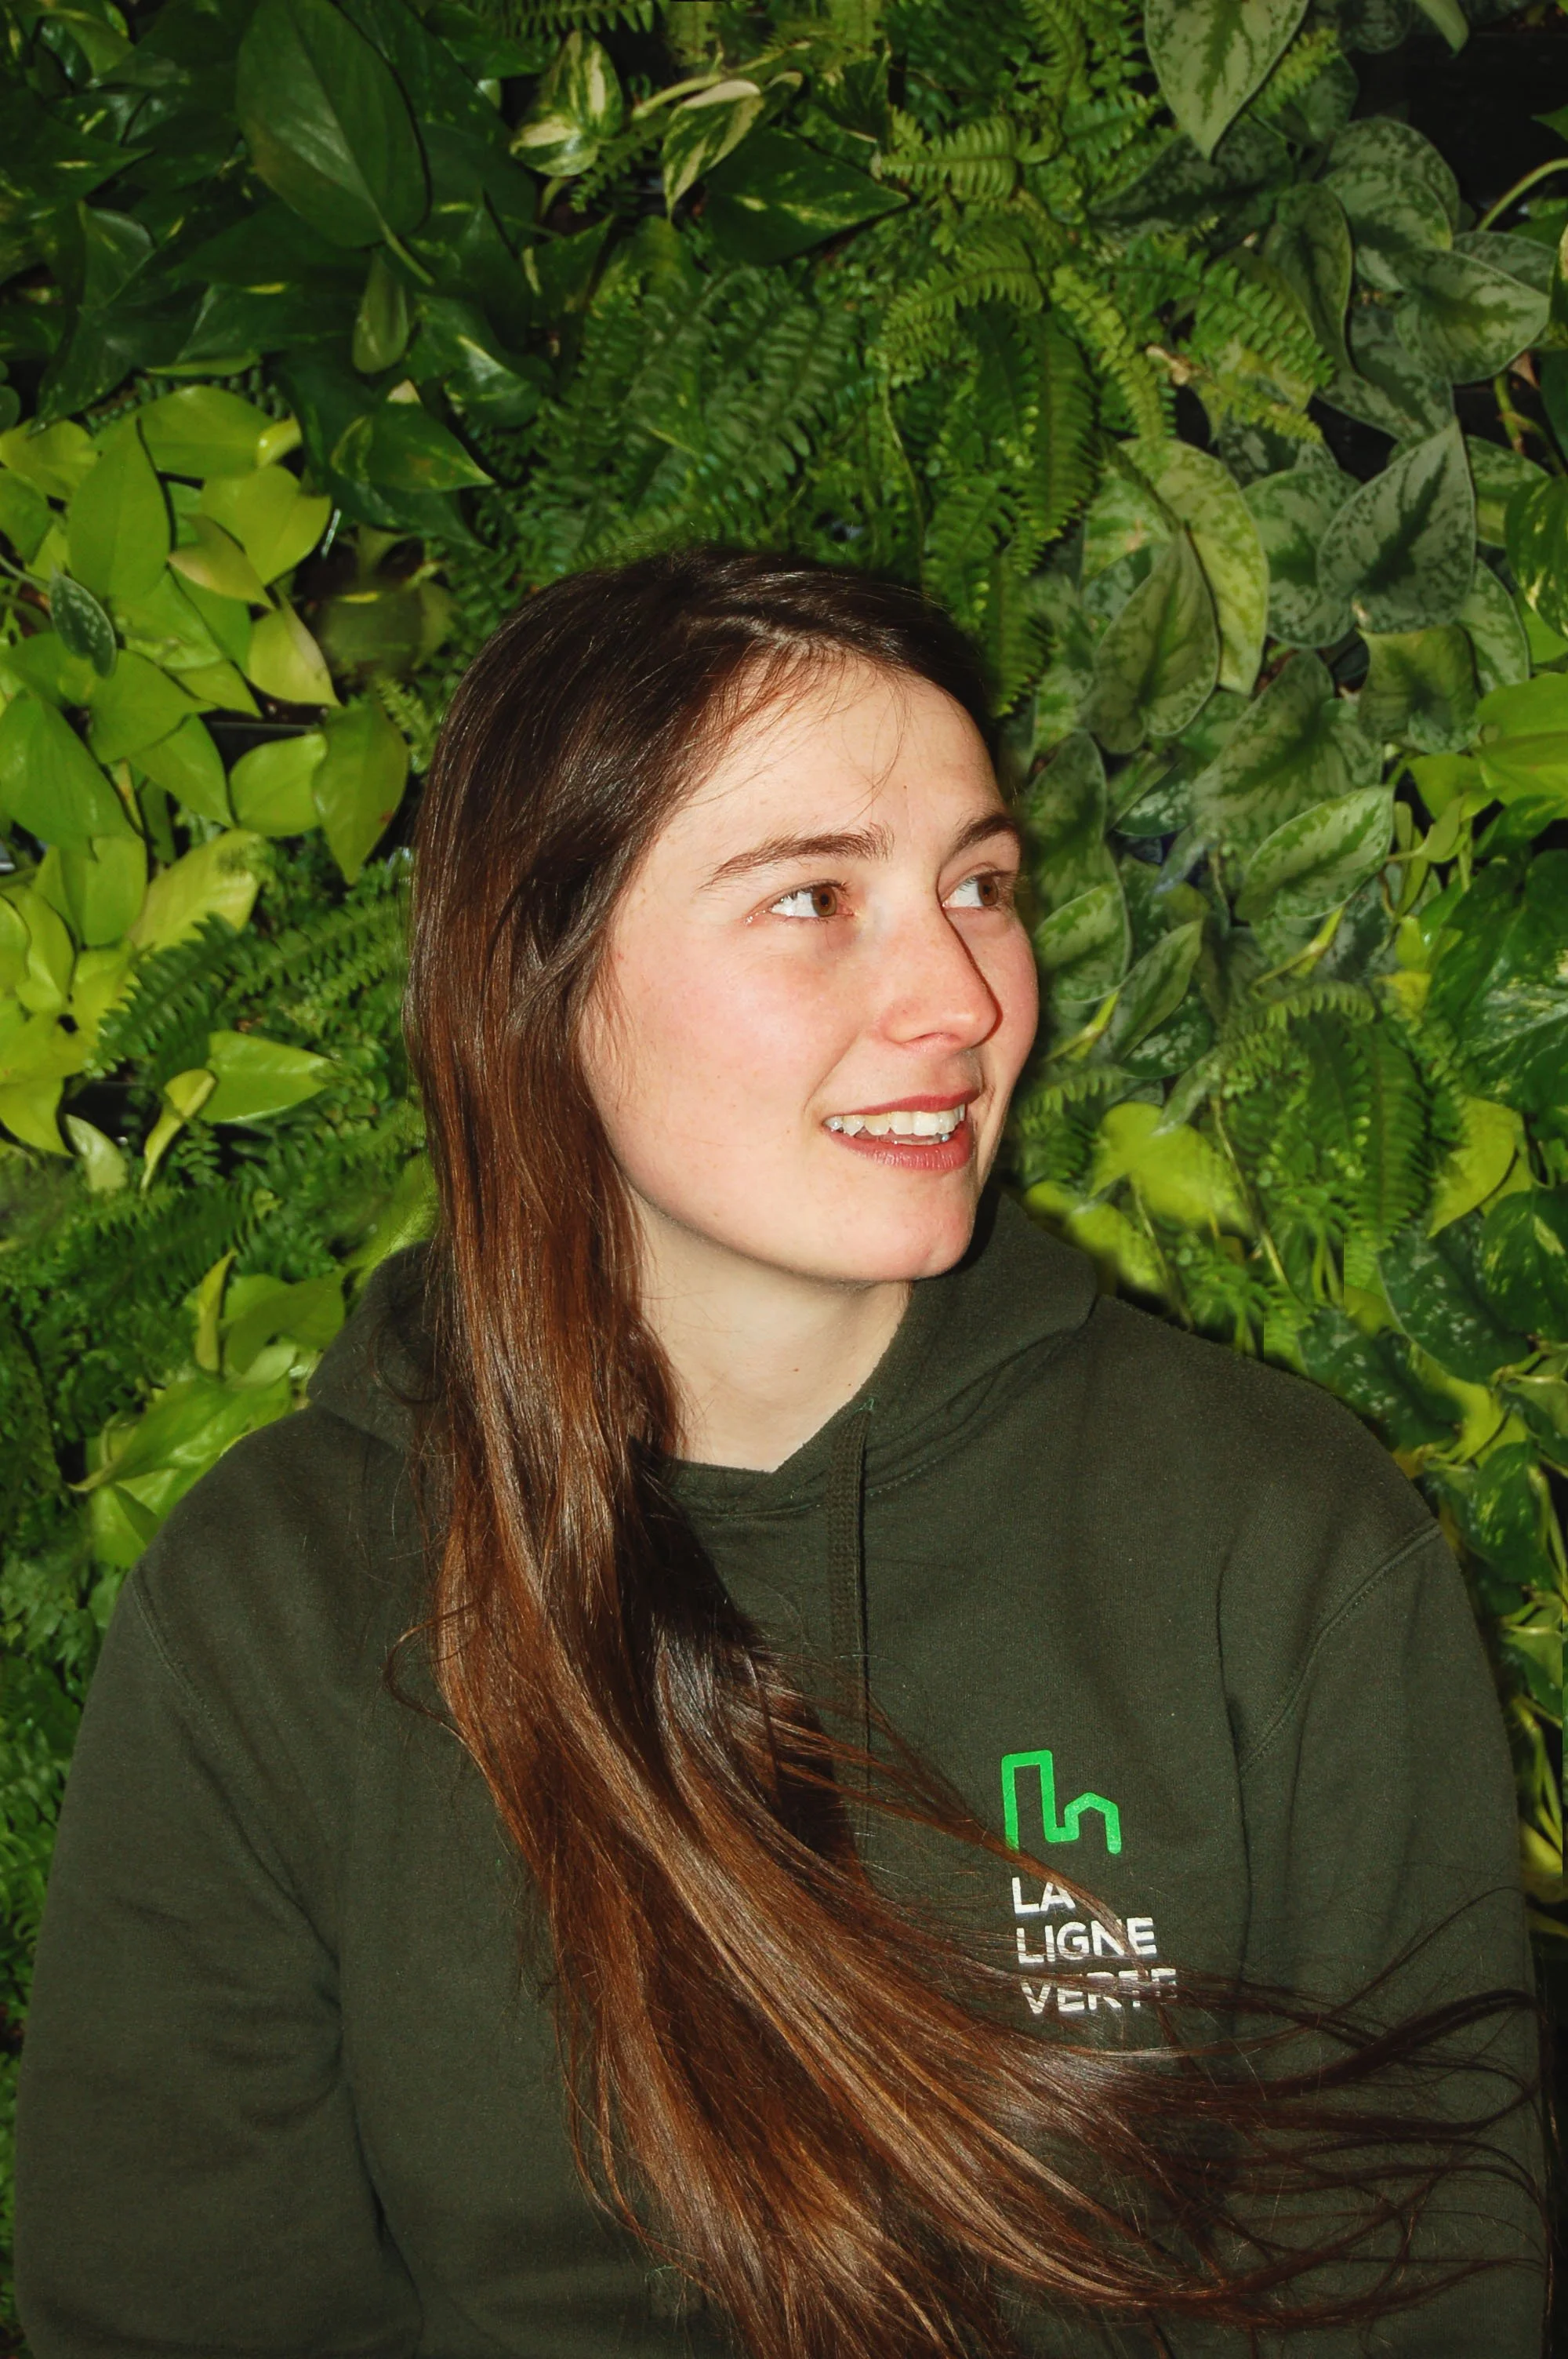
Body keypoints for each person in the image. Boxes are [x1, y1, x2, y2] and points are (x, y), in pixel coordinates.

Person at [15, 551, 1544, 2357]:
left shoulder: (1266, 1537)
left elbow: (1411, 2280)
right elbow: (178, 2310)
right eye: (814, 895)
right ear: (538, 969)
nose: (963, 998)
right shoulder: (284, 1595)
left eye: (978, 885)